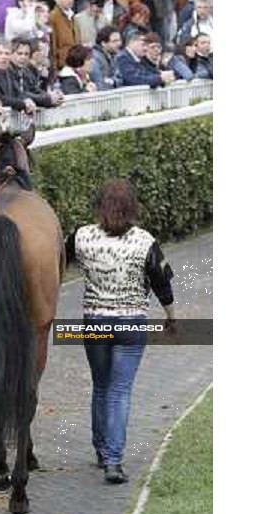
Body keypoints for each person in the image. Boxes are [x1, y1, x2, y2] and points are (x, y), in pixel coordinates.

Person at [66, 178, 175, 484]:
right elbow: (162, 283)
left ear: (99, 205)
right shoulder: (144, 241)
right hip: (130, 323)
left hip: (95, 321)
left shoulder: (82, 236)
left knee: (100, 387)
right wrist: (171, 317)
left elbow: (59, 259)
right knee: (119, 390)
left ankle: (101, 451)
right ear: (132, 207)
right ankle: (114, 461)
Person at [8, 38, 64, 107]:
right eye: (19, 53)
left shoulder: (25, 71)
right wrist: (48, 99)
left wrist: (52, 96)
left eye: (26, 54)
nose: (23, 57)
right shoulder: (7, 71)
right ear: (11, 54)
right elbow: (19, 93)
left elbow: (34, 89)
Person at [49, 0, 80, 70]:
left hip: (75, 63)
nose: (70, 0)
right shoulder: (53, 17)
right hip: (62, 65)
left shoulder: (73, 16)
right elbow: (53, 46)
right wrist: (55, 68)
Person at [89, 25, 123, 90]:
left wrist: (112, 81)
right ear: (103, 43)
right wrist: (114, 82)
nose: (119, 43)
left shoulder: (114, 54)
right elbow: (100, 84)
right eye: (114, 41)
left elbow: (121, 79)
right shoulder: (94, 58)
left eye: (119, 40)